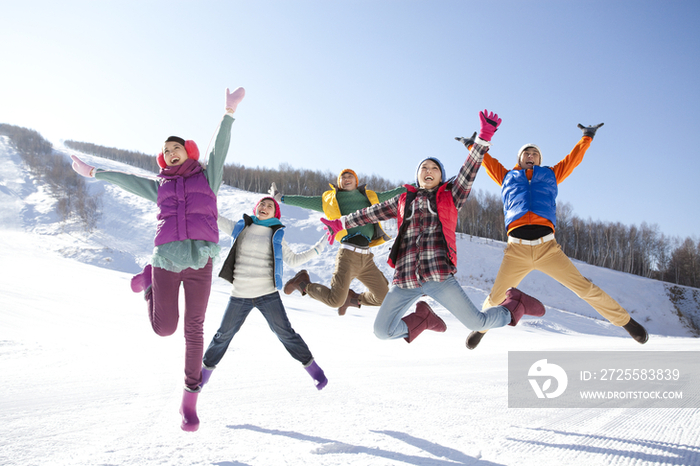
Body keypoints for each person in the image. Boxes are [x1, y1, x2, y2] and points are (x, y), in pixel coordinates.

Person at [70, 87, 246, 432]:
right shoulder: (160, 186)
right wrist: (95, 173)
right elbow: (129, 181)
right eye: (166, 151)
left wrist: (228, 112)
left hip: (200, 261)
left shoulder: (207, 179)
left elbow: (220, 150)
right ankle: (148, 279)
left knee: (194, 329)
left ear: (187, 151)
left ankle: (189, 403)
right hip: (166, 260)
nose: (170, 153)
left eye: (175, 148)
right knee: (164, 329)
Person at [319, 110, 546, 344]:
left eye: (434, 169)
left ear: (441, 177)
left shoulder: (451, 195)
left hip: (438, 276)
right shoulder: (402, 200)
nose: (429, 171)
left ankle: (514, 307)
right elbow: (369, 213)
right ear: (417, 175)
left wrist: (483, 138)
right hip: (405, 279)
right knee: (382, 331)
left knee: (476, 322)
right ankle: (423, 319)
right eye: (424, 168)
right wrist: (341, 223)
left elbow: (469, 170)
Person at [457, 122, 649, 350]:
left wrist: (586, 137)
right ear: (520, 158)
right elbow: (486, 161)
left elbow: (573, 159)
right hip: (516, 251)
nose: (531, 156)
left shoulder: (550, 174)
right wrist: (472, 145)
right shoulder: (507, 176)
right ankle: (481, 329)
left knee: (585, 288)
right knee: (496, 296)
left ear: (539, 159)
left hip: (547, 249)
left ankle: (626, 322)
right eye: (526, 153)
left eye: (535, 154)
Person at [200, 196, 329, 391]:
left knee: (285, 333)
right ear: (256, 208)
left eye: (270, 206)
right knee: (223, 335)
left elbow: (293, 260)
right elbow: (214, 216)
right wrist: (199, 196)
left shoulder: (276, 234)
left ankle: (315, 372)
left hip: (266, 294)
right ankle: (203, 375)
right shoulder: (241, 227)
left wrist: (321, 245)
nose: (265, 207)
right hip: (240, 294)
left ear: (275, 213)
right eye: (262, 204)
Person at [271, 169, 405, 315]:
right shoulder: (331, 200)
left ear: (356, 181)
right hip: (348, 255)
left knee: (383, 297)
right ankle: (303, 284)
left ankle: (353, 299)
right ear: (339, 182)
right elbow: (306, 201)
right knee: (335, 301)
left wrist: (419, 185)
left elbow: (395, 192)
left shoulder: (370, 196)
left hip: (366, 258)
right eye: (343, 177)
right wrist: (281, 198)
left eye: (350, 177)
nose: (347, 179)